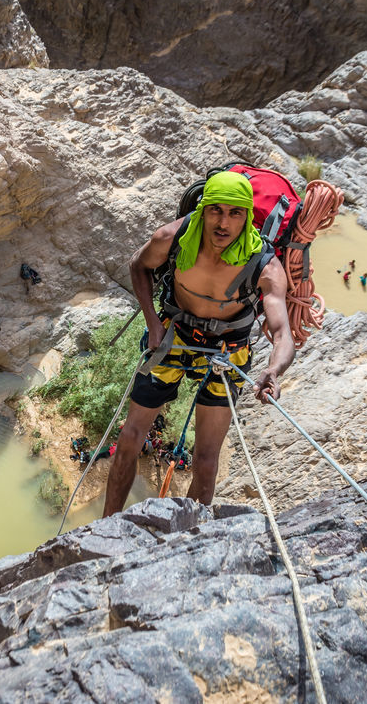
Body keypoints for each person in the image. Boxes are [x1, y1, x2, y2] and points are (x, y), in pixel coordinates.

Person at [103, 171, 295, 516]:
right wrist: (152, 322)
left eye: (235, 213)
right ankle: (106, 527)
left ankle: (190, 541)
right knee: (130, 439)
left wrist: (273, 370)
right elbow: (138, 265)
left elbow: (282, 333)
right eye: (215, 211)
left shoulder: (265, 266)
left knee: (205, 460)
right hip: (172, 339)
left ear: (247, 217)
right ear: (203, 210)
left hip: (228, 352)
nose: (223, 223)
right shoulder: (171, 238)